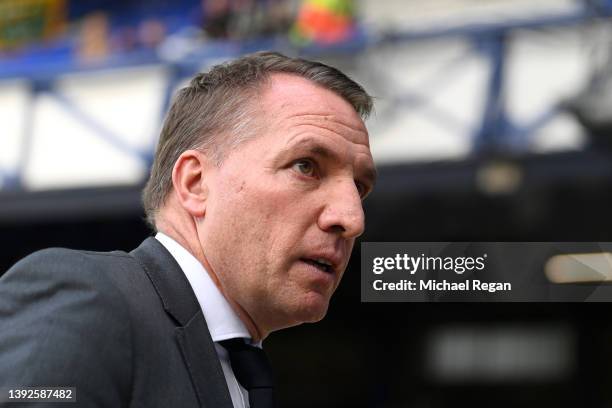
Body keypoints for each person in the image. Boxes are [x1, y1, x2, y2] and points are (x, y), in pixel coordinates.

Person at [0, 51, 375, 407]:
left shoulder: (236, 365)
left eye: (359, 188)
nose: (352, 218)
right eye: (306, 166)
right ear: (196, 183)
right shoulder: (89, 298)